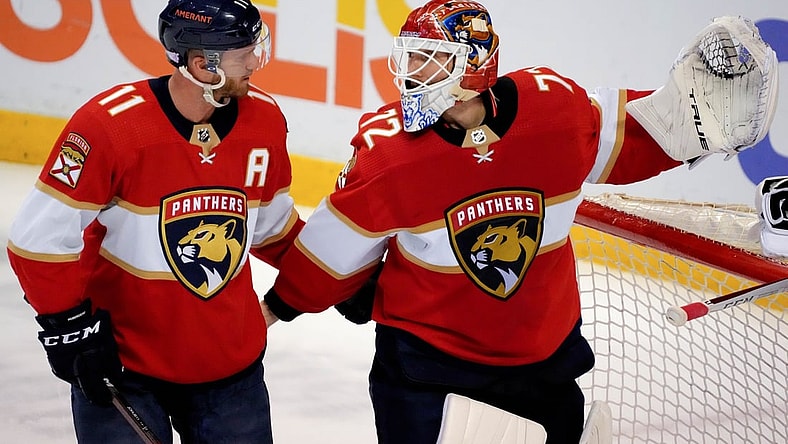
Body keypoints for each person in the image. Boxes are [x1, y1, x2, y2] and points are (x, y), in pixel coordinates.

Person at [259, 1, 778, 443]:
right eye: (409, 56)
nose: (410, 71)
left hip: (540, 365)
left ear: (473, 68)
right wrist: (280, 305)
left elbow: (640, 139)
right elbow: (328, 254)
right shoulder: (388, 154)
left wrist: (693, 123)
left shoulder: (556, 114)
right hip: (429, 371)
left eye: (428, 58)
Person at [6, 0, 303, 442]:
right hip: (124, 365)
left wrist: (335, 273)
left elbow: (271, 228)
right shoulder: (110, 126)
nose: (255, 63)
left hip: (229, 367)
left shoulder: (264, 119)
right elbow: (38, 240)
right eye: (244, 54)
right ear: (204, 65)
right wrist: (69, 328)